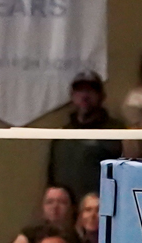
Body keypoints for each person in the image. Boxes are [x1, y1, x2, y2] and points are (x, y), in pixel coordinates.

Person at [48, 71, 122, 200]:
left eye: (90, 90)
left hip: (101, 208)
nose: (84, 96)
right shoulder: (61, 135)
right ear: (72, 96)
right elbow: (52, 178)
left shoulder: (118, 132)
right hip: (67, 209)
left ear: (101, 96)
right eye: (80, 90)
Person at [11, 185, 77, 243]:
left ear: (72, 207)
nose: (55, 206)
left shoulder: (78, 237)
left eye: (62, 202)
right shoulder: (29, 236)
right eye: (49, 202)